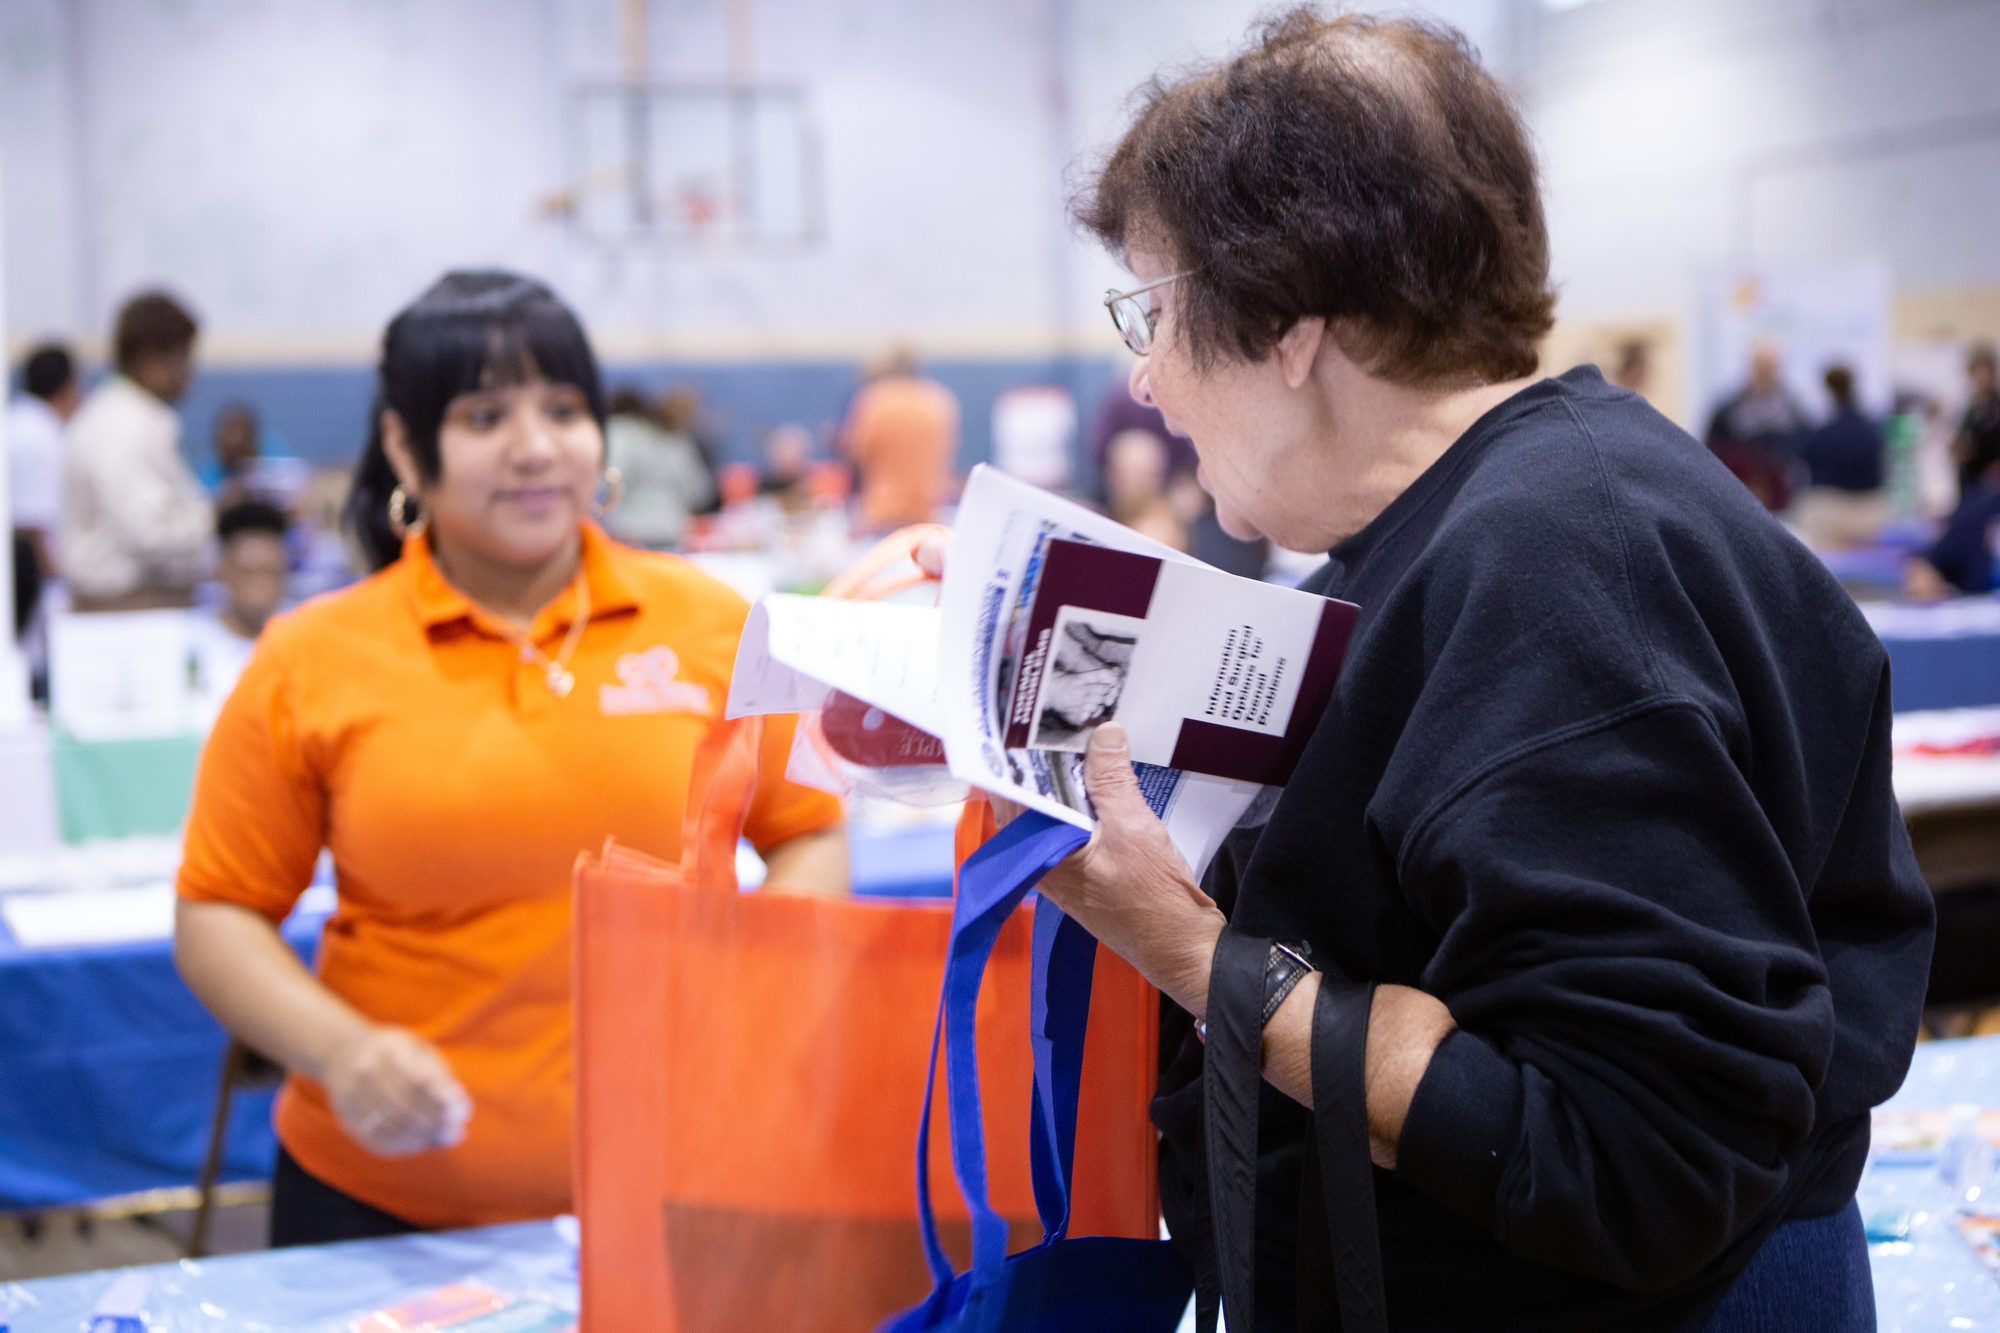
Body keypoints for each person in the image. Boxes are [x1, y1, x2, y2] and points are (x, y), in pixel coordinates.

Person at [933, 12, 1931, 1331]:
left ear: (1286, 316)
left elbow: (1639, 1159)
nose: (1149, 381)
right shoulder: (1477, 524)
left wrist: (1188, 951)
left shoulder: (1551, 572)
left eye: (1153, 313)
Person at [173, 271, 848, 1246]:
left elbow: (808, 833)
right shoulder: (310, 658)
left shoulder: (709, 621)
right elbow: (217, 914)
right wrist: (342, 1051)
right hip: (382, 1216)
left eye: (564, 410)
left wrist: (754, 987)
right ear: (406, 446)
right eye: (484, 417)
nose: (535, 447)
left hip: (679, 1183)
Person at [62, 291, 213, 610]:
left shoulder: (135, 417)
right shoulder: (119, 426)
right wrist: (219, 516)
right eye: (183, 357)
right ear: (148, 358)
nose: (190, 371)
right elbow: (153, 533)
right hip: (121, 611)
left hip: (138, 605)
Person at [188, 499, 290, 722]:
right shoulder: (192, 643)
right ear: (222, 570)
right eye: (248, 573)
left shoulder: (300, 641)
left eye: (270, 572)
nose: (260, 587)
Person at [839, 347, 957, 531]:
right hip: (927, 512)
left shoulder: (876, 400)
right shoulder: (940, 401)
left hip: (882, 512)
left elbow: (857, 455)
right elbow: (945, 456)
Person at [7, 344, 77, 635]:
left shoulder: (12, 422)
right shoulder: (43, 436)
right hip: (31, 589)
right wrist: (62, 580)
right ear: (69, 387)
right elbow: (31, 527)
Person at [599, 388, 716, 550]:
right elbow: (699, 493)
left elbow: (608, 480)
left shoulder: (677, 441)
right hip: (642, 533)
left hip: (658, 534)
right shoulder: (628, 432)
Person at [1705, 342, 1809, 512]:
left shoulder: (1792, 410)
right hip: (1738, 495)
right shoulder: (1729, 410)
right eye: (1761, 365)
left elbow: (1805, 450)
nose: (1766, 372)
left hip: (1784, 499)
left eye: (1770, 366)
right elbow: (1711, 451)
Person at [1792, 365, 1888, 548]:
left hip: (1831, 512)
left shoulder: (1822, 435)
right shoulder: (1871, 430)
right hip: (1870, 512)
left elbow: (1801, 454)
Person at [1953, 344, 2000, 501]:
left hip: (1989, 489)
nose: (1981, 377)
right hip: (1970, 484)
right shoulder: (1972, 409)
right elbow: (1962, 442)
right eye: (1976, 371)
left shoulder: (1995, 407)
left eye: (1985, 370)